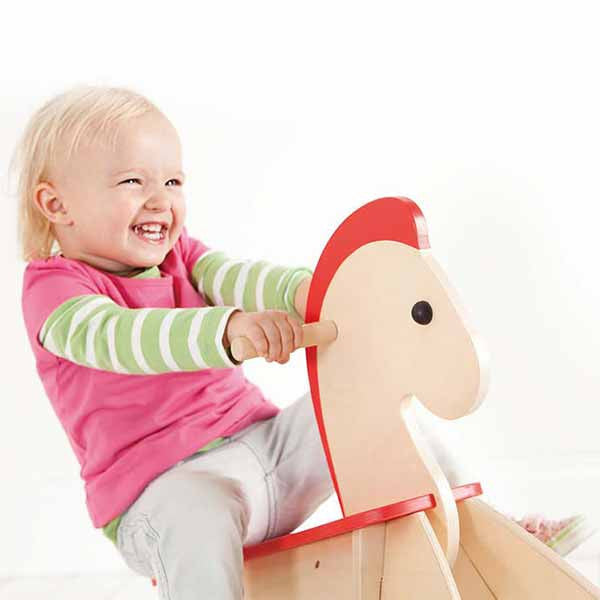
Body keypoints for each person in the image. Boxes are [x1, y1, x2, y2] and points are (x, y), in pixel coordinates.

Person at [13, 85, 593, 599]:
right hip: (161, 492)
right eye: (132, 182)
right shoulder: (55, 291)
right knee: (198, 519)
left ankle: (481, 532)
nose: (161, 199)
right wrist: (229, 329)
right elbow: (123, 339)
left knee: (363, 412)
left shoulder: (183, 255)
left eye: (172, 180)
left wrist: (319, 293)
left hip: (265, 451)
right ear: (56, 205)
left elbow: (243, 275)